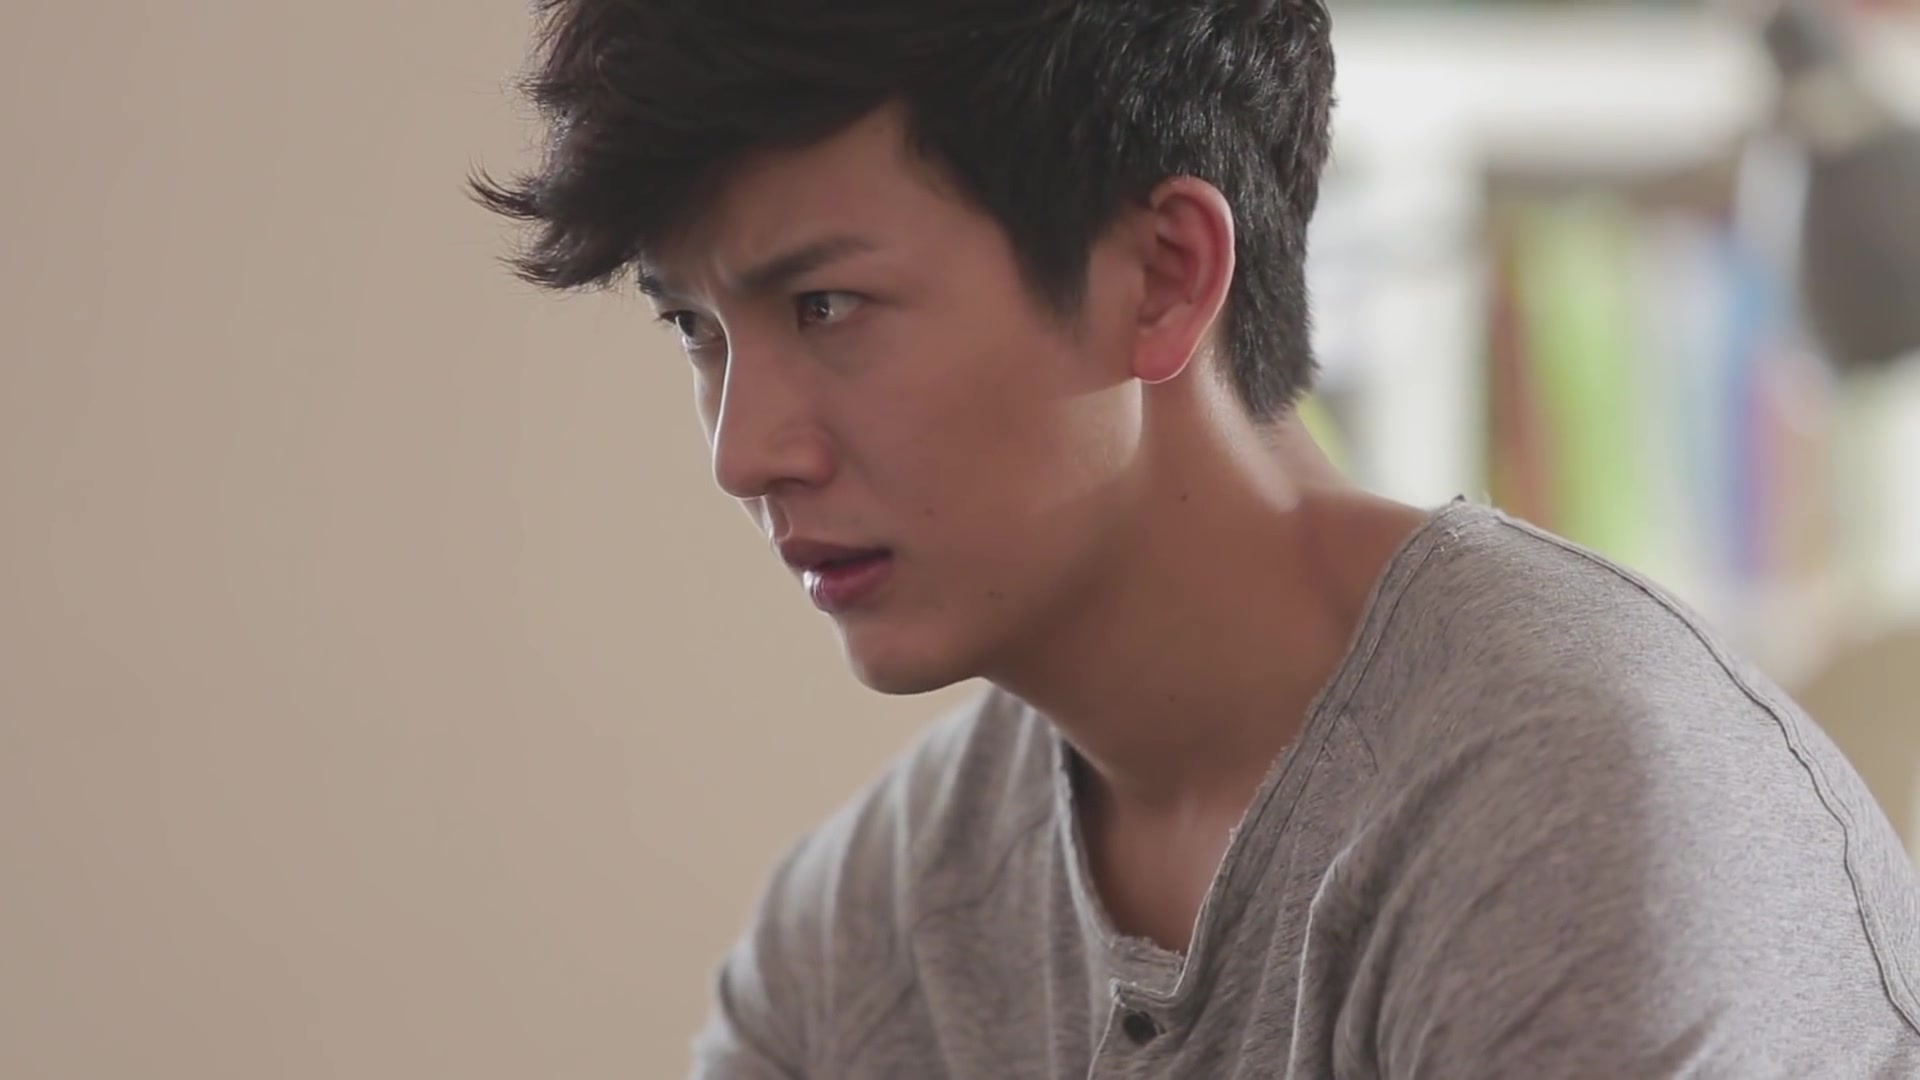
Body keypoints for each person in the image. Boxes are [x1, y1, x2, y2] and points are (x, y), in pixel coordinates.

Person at [471, 1, 1920, 1075]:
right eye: (697, 329)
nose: (745, 453)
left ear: (1164, 276)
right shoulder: (870, 931)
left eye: (826, 308)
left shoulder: (1565, 812)